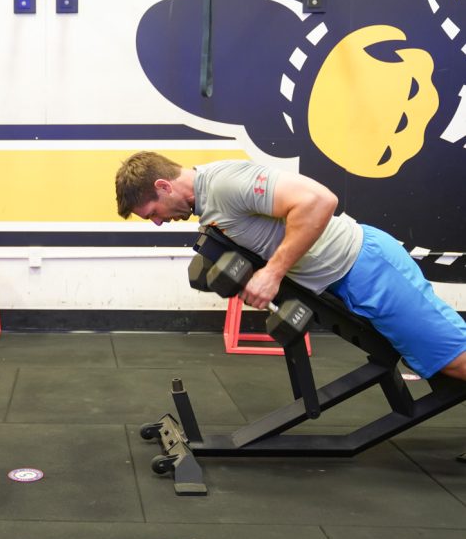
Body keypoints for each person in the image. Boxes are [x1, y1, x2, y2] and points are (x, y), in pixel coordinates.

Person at [114, 151, 466, 381]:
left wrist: (273, 272)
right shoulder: (209, 204)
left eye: (153, 214)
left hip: (368, 269)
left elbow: (318, 201)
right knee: (433, 361)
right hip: (347, 280)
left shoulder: (224, 185)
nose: (157, 222)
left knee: (453, 359)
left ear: (164, 186)